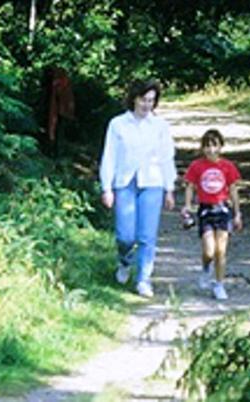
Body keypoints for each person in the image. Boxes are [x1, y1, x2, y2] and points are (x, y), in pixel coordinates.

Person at [99, 79, 177, 298]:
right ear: (134, 98)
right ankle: (125, 261)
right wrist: (107, 187)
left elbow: (166, 158)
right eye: (143, 100)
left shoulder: (160, 126)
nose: (147, 105)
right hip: (125, 183)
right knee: (125, 236)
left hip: (152, 183)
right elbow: (109, 156)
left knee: (147, 236)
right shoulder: (118, 124)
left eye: (151, 101)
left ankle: (143, 279)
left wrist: (169, 189)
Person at [182, 129, 243, 300]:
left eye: (214, 145)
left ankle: (219, 284)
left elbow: (233, 190)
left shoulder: (227, 167)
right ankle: (206, 269)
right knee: (209, 250)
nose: (211, 150)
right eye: (207, 146)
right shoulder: (197, 166)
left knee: (221, 250)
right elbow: (190, 186)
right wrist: (187, 206)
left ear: (220, 147)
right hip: (205, 210)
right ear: (202, 148)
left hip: (223, 210)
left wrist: (237, 213)